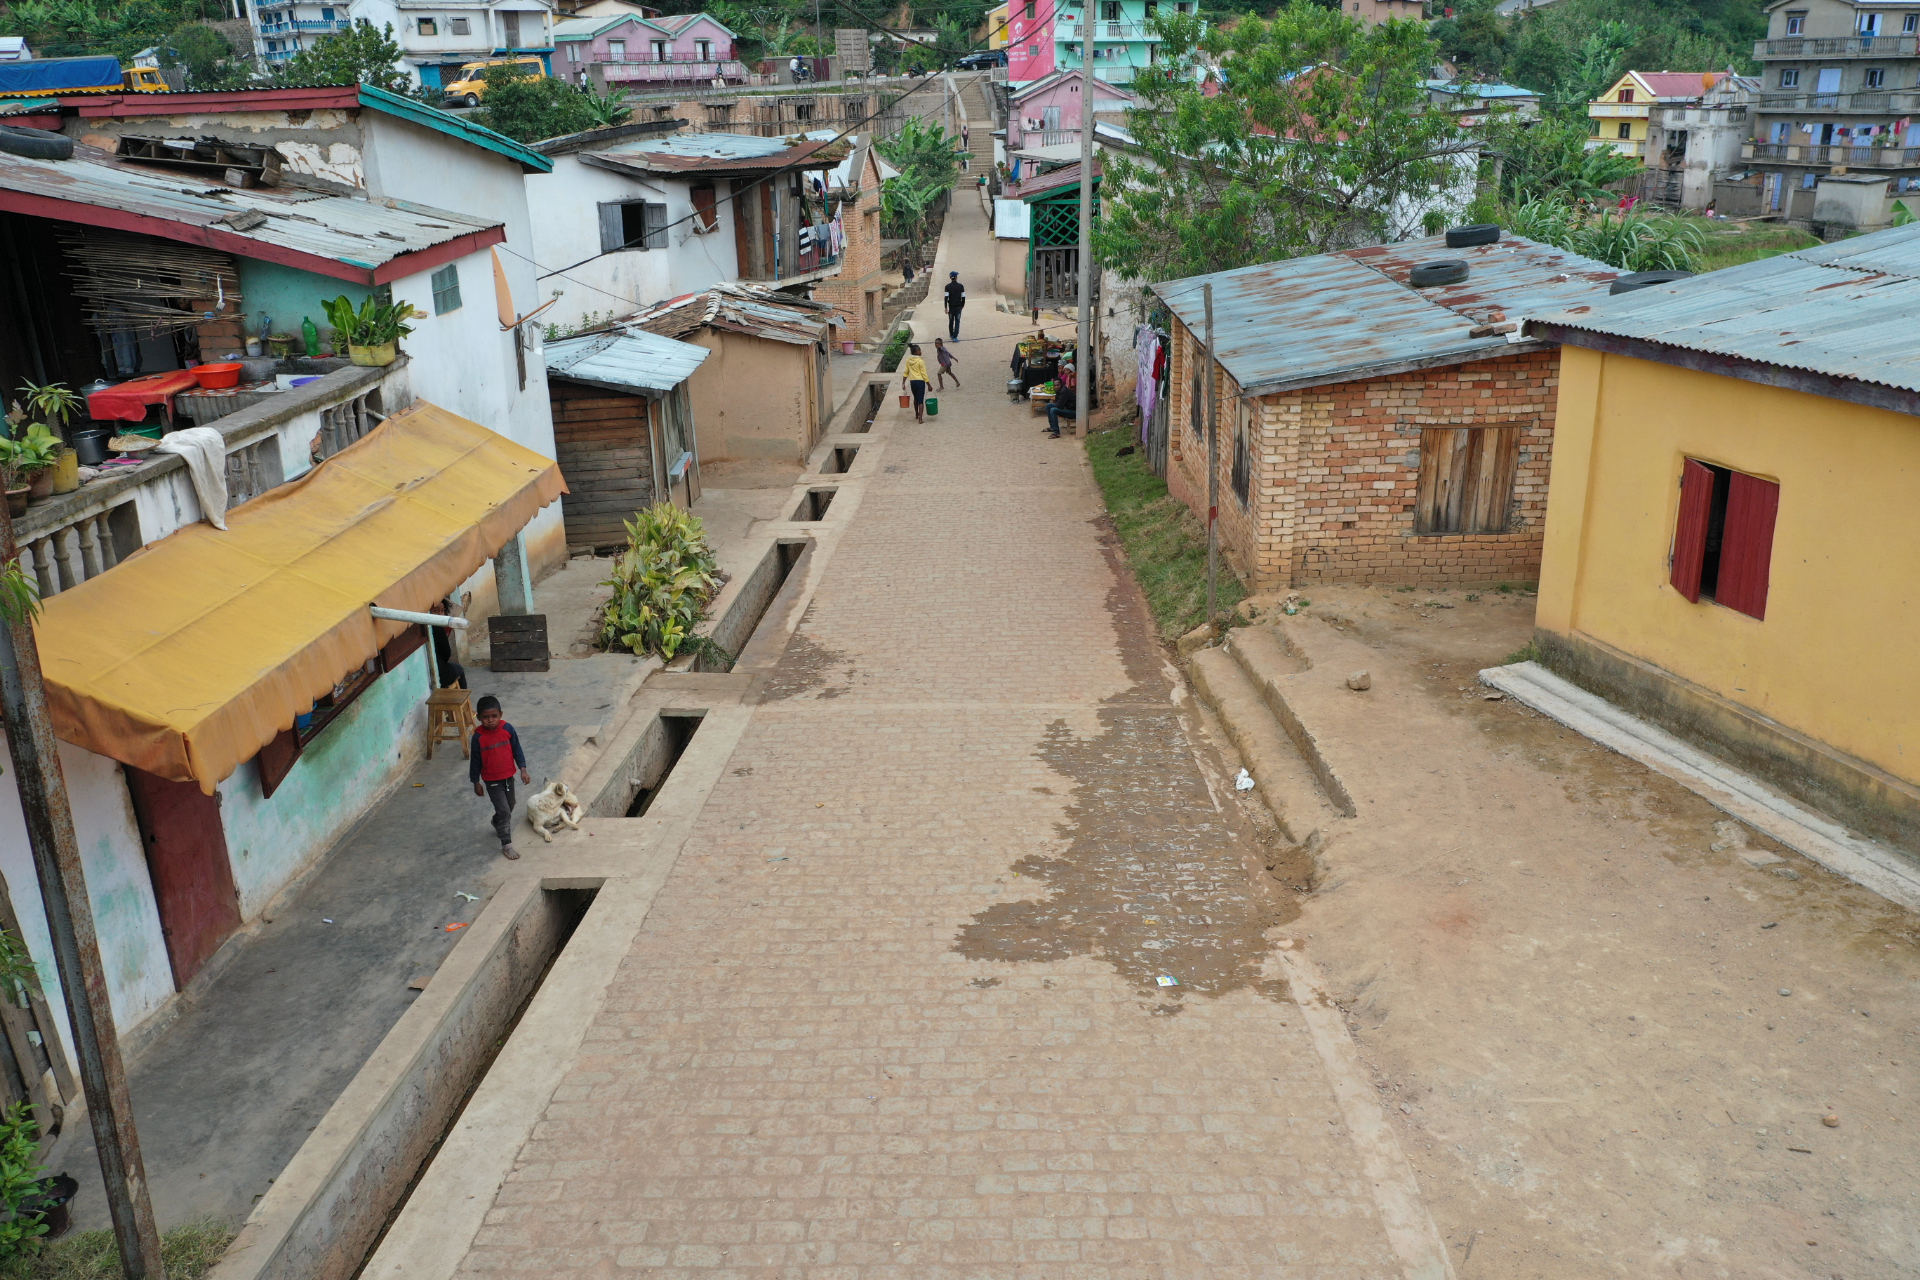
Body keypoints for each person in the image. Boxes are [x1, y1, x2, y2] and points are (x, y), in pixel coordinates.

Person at [470, 695, 531, 859]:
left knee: (510, 805)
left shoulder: (508, 729)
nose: (490, 720)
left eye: (494, 716)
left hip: (508, 776)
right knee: (504, 810)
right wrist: (476, 781)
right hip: (491, 780)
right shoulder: (478, 738)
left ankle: (496, 822)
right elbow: (475, 761)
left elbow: (517, 750)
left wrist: (523, 770)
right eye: (486, 717)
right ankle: (507, 844)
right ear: (479, 717)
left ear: (500, 715)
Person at [429, 599, 466, 689]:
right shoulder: (437, 627)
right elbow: (447, 653)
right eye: (436, 611)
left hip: (431, 672)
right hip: (439, 674)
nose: (441, 614)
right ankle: (463, 697)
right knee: (459, 669)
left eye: (443, 611)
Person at [900, 343, 930, 423]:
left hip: (912, 382)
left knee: (916, 398)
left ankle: (916, 414)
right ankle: (920, 419)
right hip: (920, 382)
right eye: (919, 350)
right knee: (921, 400)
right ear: (915, 353)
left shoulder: (908, 360)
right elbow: (924, 373)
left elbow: (906, 372)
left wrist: (903, 383)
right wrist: (928, 384)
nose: (920, 351)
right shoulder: (920, 361)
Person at [1046, 362, 1077, 438]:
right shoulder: (1059, 390)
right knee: (1048, 405)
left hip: (1074, 412)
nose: (1056, 387)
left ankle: (1056, 432)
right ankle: (1052, 427)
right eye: (1055, 385)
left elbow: (1059, 406)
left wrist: (1058, 404)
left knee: (1053, 410)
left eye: (1058, 385)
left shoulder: (1064, 391)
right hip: (1067, 407)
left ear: (1061, 384)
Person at [943, 270, 965, 339]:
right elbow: (963, 297)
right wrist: (962, 305)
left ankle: (951, 334)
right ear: (956, 277)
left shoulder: (947, 287)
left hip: (951, 306)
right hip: (958, 306)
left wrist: (946, 307)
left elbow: (946, 297)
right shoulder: (961, 286)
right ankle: (955, 335)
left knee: (951, 320)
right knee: (957, 321)